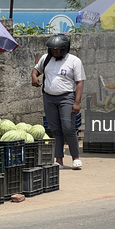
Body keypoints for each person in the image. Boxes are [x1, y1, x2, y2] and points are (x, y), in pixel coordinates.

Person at [31, 34, 85, 170]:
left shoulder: (74, 61)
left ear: (65, 49)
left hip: (67, 98)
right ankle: (58, 160)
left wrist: (77, 102)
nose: (55, 52)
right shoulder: (46, 58)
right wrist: (34, 76)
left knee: (68, 127)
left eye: (58, 50)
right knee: (55, 130)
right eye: (52, 50)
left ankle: (75, 158)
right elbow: (36, 70)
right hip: (49, 98)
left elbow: (79, 83)